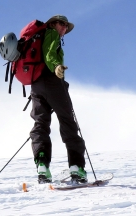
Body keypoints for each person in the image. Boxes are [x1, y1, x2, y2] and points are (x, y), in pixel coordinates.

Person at [29, 15, 87, 184]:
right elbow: (49, 54)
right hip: (52, 82)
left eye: (66, 27)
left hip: (36, 86)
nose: (64, 29)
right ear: (53, 23)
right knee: (67, 121)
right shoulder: (51, 34)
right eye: (62, 24)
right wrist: (56, 67)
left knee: (40, 124)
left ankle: (42, 166)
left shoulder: (37, 38)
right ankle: (76, 167)